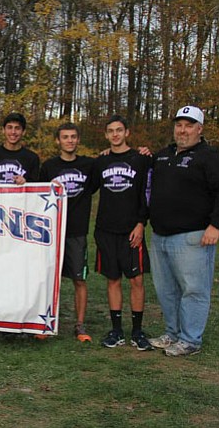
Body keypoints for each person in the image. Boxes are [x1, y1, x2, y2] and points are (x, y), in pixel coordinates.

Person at [148, 106, 219, 356]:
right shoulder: (163, 155)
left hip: (194, 236)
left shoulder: (209, 156)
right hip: (160, 235)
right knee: (166, 289)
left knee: (193, 289)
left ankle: (190, 340)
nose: (183, 130)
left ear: (200, 129)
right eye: (179, 124)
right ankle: (173, 333)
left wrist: (215, 225)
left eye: (189, 125)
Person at [92, 115, 153, 351]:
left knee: (137, 280)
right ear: (106, 135)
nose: (115, 134)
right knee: (113, 279)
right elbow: (86, 188)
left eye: (119, 130)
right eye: (110, 131)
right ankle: (116, 330)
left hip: (131, 230)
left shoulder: (140, 160)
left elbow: (146, 193)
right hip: (106, 230)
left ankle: (137, 331)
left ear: (127, 132)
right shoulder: (101, 162)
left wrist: (141, 223)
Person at [39, 123, 95, 342]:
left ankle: (80, 326)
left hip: (77, 231)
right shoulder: (49, 166)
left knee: (79, 279)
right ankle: (44, 323)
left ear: (78, 139)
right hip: (52, 232)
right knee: (49, 279)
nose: (69, 140)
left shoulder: (89, 165)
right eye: (65, 137)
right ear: (58, 141)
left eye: (73, 137)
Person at [0, 112, 40, 184]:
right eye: (9, 127)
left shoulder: (32, 158)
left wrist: (25, 182)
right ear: (3, 130)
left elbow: (35, 188)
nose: (13, 132)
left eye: (17, 128)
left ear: (23, 132)